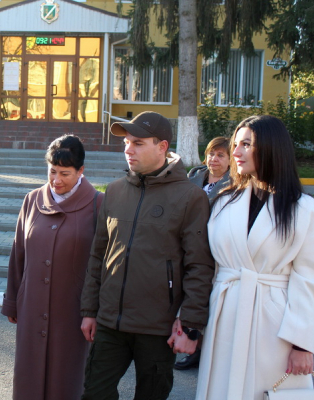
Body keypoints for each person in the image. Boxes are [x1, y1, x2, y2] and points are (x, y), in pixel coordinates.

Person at [80, 111, 215, 400]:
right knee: (94, 395)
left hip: (158, 330)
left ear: (162, 147)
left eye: (138, 143)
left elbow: (200, 266)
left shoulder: (191, 198)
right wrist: (90, 311)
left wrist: (190, 324)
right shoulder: (114, 192)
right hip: (109, 325)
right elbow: (98, 255)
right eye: (127, 142)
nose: (128, 149)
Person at [195, 115, 314, 400]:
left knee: (266, 392)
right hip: (225, 317)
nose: (236, 152)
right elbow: (209, 264)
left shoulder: (303, 210)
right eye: (236, 144)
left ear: (270, 148)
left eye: (246, 144)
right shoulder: (223, 203)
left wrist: (302, 344)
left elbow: (311, 280)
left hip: (275, 326)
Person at [2, 134, 104, 400]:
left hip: (73, 311)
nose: (57, 180)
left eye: (65, 174)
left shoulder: (98, 204)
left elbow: (104, 263)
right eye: (52, 172)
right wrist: (12, 301)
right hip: (31, 306)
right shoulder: (32, 199)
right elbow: (18, 254)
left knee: (67, 379)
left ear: (81, 171)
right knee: (29, 378)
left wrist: (94, 311)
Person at [174, 136, 231, 371]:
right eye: (210, 154)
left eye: (220, 155)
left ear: (230, 160)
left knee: (207, 299)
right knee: (188, 295)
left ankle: (200, 349)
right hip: (188, 243)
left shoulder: (234, 183)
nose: (213, 159)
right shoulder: (195, 175)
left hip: (214, 247)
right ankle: (188, 340)